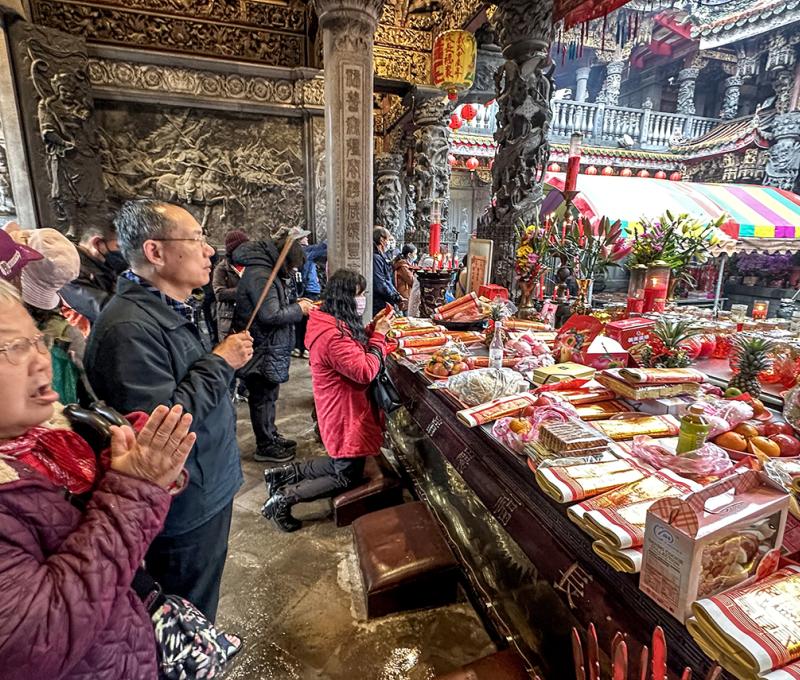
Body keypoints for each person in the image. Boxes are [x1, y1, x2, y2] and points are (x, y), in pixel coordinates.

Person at [0, 279, 197, 679]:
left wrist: (128, 461)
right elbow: (37, 638)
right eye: (15, 347)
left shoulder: (49, 438)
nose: (43, 359)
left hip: (115, 648)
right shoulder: (129, 323)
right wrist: (133, 490)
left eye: (38, 340)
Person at [85, 199, 254, 620]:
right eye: (196, 239)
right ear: (155, 252)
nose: (209, 250)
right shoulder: (128, 328)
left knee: (202, 599)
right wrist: (221, 362)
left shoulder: (170, 307)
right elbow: (162, 426)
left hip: (208, 479)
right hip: (184, 501)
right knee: (188, 614)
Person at [261, 269, 392, 532]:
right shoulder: (332, 335)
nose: (363, 299)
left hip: (343, 404)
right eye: (359, 294)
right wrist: (378, 337)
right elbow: (364, 370)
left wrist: (371, 329)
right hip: (344, 410)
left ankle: (282, 475)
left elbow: (352, 350)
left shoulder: (332, 321)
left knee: (342, 460)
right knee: (345, 475)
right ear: (345, 298)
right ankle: (284, 498)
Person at [232, 227, 314, 463]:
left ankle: (271, 434)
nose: (294, 270)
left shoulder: (267, 270)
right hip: (262, 347)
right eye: (294, 266)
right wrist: (299, 309)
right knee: (261, 396)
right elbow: (270, 314)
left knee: (269, 395)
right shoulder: (261, 274)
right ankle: (265, 444)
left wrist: (296, 302)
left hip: (269, 346)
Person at [60, 219, 127, 326]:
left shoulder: (103, 265)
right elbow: (108, 312)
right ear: (97, 243)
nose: (125, 253)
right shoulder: (71, 272)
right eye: (119, 247)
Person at [213, 229, 249, 340]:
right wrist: (245, 291)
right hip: (230, 321)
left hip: (251, 320)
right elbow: (219, 294)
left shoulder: (252, 266)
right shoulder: (221, 269)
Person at [294, 239, 327, 358]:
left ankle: (298, 347)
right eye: (304, 237)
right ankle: (306, 347)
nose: (307, 238)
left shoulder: (298, 251)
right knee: (309, 321)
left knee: (299, 320)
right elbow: (323, 247)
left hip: (300, 290)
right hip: (310, 290)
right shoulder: (306, 251)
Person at [372, 226, 404, 316]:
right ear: (381, 240)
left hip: (386, 301)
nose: (389, 242)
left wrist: (397, 295)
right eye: (388, 239)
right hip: (379, 303)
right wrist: (394, 297)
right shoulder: (376, 258)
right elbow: (380, 283)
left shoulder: (382, 256)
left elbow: (388, 279)